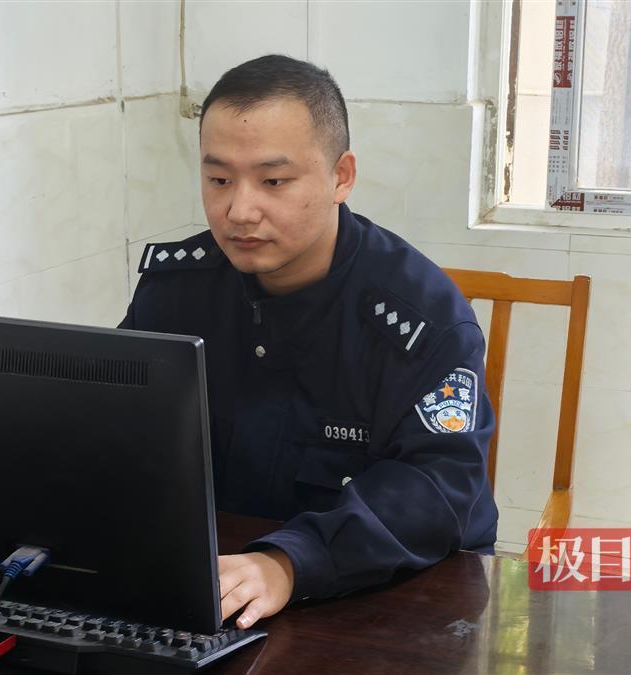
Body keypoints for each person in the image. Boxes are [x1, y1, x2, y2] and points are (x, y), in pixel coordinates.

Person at [119, 54, 497, 630]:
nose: (239, 210)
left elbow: (437, 490)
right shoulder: (176, 292)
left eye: (273, 181)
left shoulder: (420, 321)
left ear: (341, 176)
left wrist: (289, 563)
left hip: (391, 597)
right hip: (220, 588)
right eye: (219, 180)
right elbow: (116, 424)